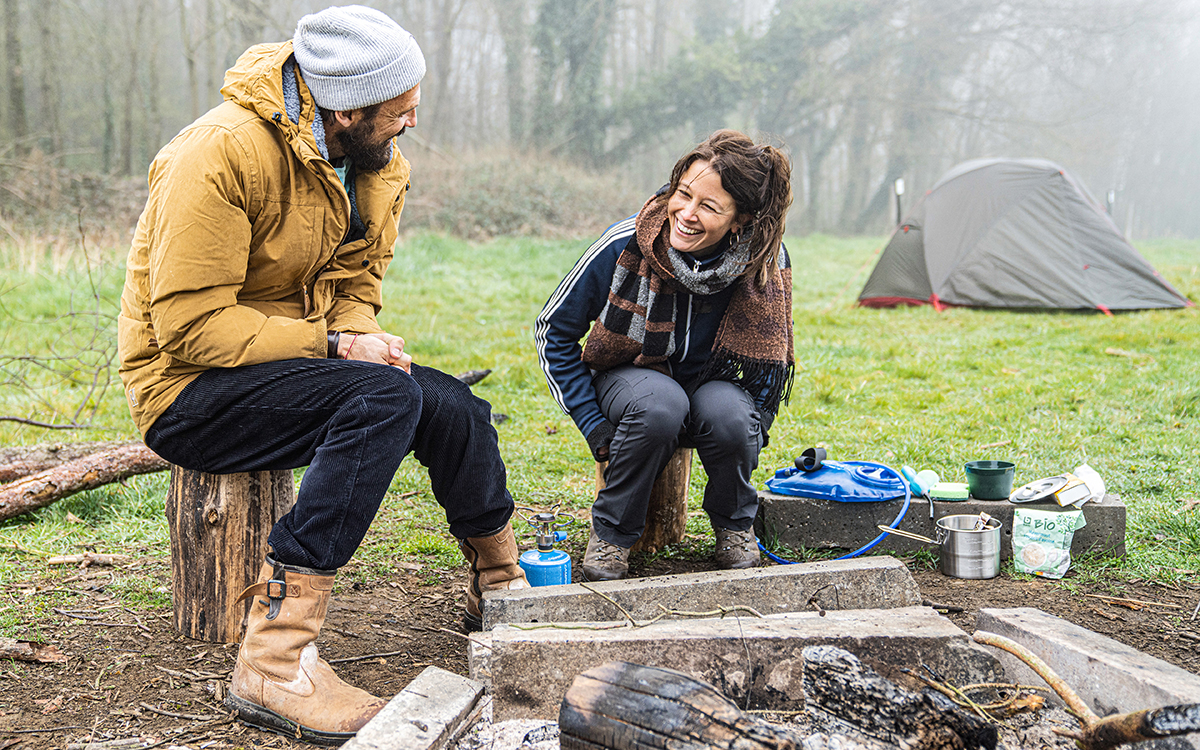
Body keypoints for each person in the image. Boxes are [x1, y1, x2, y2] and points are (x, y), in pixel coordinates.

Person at [117, 5, 528, 743]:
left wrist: (362, 336)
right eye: (400, 110)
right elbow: (188, 326)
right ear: (345, 106)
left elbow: (358, 283)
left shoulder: (375, 161)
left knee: (449, 405)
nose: (411, 123)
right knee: (380, 400)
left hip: (294, 363)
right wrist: (337, 348)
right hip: (187, 390)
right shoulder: (216, 154)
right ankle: (275, 661)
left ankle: (498, 586)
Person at [535, 130, 794, 582]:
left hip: (714, 383)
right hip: (631, 378)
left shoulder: (764, 261)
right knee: (661, 404)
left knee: (731, 414)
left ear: (741, 220)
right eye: (683, 194)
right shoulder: (627, 243)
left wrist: (758, 425)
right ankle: (612, 535)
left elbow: (774, 356)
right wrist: (593, 424)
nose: (687, 215)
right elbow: (552, 332)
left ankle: (735, 527)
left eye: (709, 207)